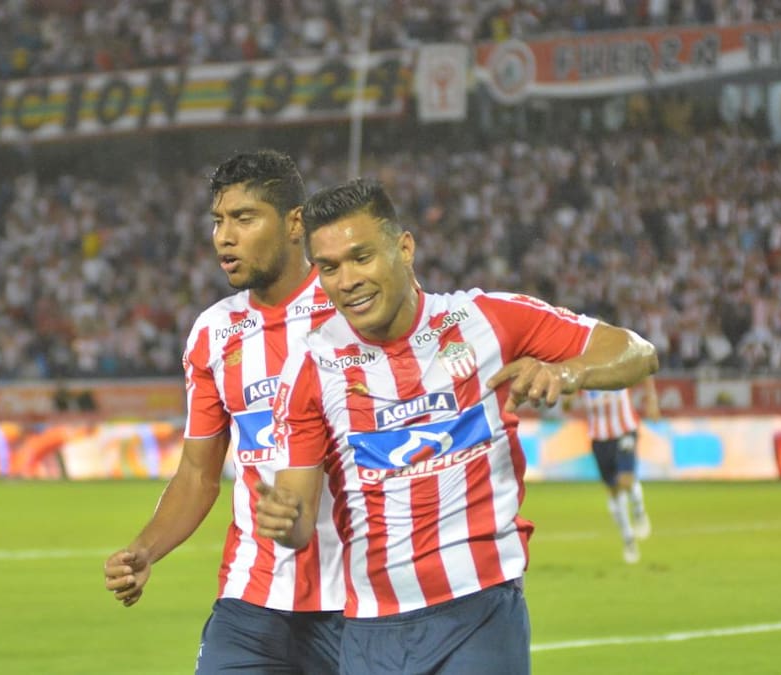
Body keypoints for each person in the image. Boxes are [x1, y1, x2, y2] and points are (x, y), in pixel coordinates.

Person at [257, 179, 658, 674]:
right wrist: (284, 521)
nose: (347, 280)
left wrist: (568, 372)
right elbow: (298, 524)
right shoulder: (310, 366)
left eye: (362, 257)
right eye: (329, 267)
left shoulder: (486, 320)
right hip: (370, 627)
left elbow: (636, 351)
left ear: (405, 248)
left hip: (481, 610)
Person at [103, 150, 345, 673]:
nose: (224, 238)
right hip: (250, 599)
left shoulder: (352, 309)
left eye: (244, 218)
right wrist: (145, 549)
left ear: (295, 223)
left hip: (357, 600)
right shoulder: (214, 332)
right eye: (218, 221)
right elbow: (198, 474)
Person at [577, 378, 659, 564]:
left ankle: (638, 509)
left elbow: (645, 373)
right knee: (613, 491)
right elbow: (568, 394)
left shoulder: (620, 364)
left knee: (625, 480)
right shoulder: (583, 373)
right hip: (599, 438)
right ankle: (628, 538)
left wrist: (652, 400)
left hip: (625, 430)